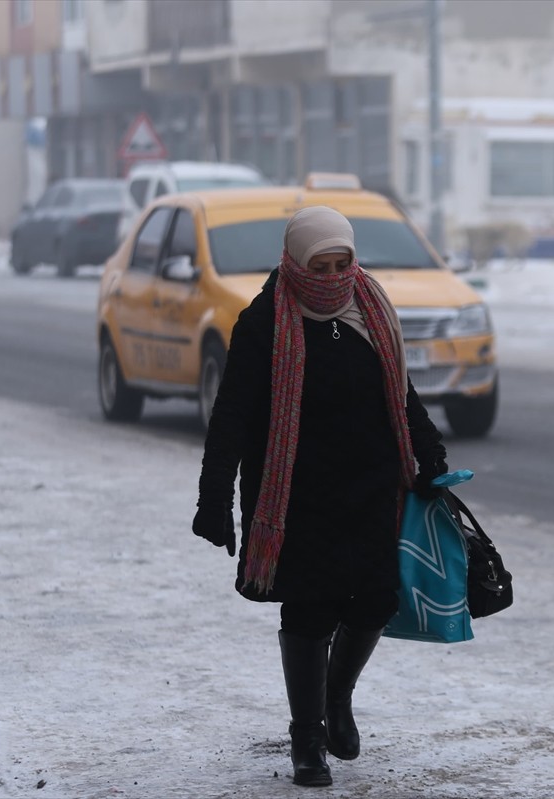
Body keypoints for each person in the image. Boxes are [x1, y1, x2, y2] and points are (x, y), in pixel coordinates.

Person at [192, 205, 448, 787]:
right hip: (297, 495)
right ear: (293, 263)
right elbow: (230, 416)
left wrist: (429, 453)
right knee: (309, 610)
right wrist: (214, 499)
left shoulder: (372, 311)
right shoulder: (264, 323)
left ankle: (337, 698)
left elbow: (399, 389)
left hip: (372, 485)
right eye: (319, 265)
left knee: (374, 601)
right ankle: (307, 738)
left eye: (342, 264)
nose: (331, 277)